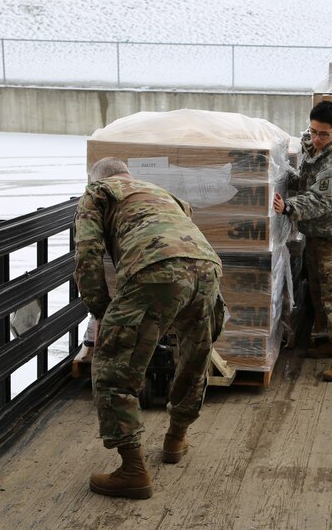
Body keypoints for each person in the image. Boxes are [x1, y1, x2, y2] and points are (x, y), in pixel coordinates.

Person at [74, 156, 223, 499]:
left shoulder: (98, 192)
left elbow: (87, 254)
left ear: (95, 178)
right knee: (194, 357)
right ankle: (175, 440)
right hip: (208, 268)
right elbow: (185, 233)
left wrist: (101, 312)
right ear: (127, 174)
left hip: (155, 270)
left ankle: (132, 471)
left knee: (114, 367)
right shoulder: (162, 192)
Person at [272, 100, 332, 382]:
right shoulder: (314, 151)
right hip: (316, 236)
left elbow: (320, 200)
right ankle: (331, 344)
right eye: (313, 132)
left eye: (323, 134)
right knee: (319, 294)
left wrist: (288, 207)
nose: (316, 139)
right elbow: (307, 182)